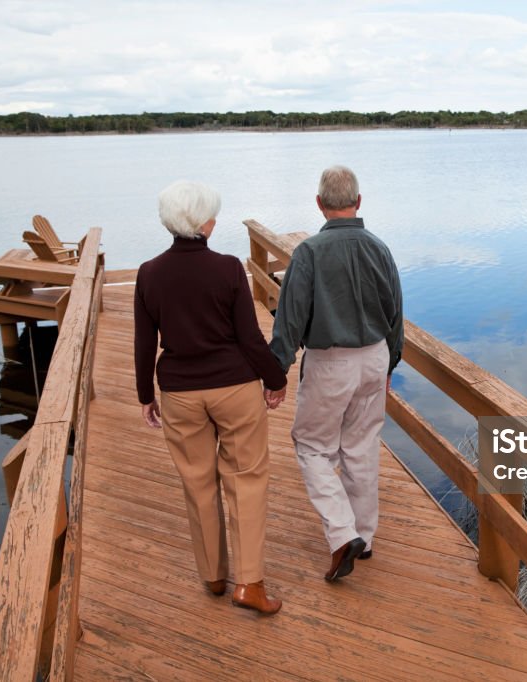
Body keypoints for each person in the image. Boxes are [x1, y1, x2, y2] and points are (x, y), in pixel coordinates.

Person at [134, 180, 287, 615]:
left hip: (180, 392)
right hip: (235, 388)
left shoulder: (148, 273)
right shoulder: (228, 268)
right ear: (203, 223)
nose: (216, 220)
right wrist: (274, 378)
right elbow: (250, 338)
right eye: (212, 215)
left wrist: (145, 393)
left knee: (198, 482)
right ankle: (250, 584)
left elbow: (145, 343)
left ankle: (214, 575)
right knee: (247, 480)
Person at [269, 165, 404, 582]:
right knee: (361, 447)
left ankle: (344, 534)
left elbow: (289, 321)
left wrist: (276, 372)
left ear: (320, 204)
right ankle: (365, 535)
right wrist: (391, 362)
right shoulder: (380, 248)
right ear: (358, 202)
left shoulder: (309, 253)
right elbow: (396, 312)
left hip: (332, 362)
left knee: (312, 447)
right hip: (375, 355)